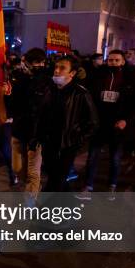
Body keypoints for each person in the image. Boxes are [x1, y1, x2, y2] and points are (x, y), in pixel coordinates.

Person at [77, 50, 133, 201]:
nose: (113, 63)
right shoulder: (99, 76)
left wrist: (125, 120)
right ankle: (88, 187)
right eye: (110, 60)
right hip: (99, 123)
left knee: (115, 158)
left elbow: (134, 103)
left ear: (122, 62)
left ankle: (112, 186)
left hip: (117, 124)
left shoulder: (129, 79)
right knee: (93, 156)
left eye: (116, 60)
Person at [40, 56, 99, 191]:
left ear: (72, 73)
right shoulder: (50, 90)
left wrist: (77, 139)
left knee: (56, 179)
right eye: (56, 67)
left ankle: (46, 210)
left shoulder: (81, 93)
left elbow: (93, 122)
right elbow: (42, 116)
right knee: (53, 175)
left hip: (67, 145)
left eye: (62, 68)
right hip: (49, 142)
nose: (57, 71)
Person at [7, 48, 51, 197]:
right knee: (18, 168)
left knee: (33, 172)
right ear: (26, 62)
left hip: (36, 133)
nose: (39, 65)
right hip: (19, 130)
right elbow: (12, 104)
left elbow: (44, 109)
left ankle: (30, 204)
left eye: (41, 62)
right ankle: (32, 188)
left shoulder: (47, 81)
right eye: (35, 62)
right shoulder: (18, 78)